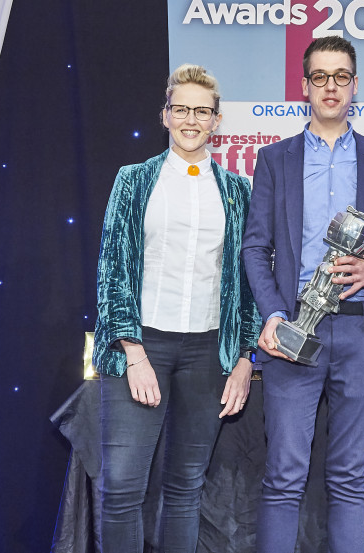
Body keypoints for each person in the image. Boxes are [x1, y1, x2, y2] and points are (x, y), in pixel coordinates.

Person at [92, 64, 262, 553]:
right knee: (123, 489)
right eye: (182, 109)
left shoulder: (237, 191)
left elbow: (246, 282)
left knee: (186, 489)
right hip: (140, 346)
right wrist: (134, 352)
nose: (192, 120)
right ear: (165, 115)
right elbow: (112, 271)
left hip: (208, 352)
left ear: (217, 120)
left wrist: (245, 359)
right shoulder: (134, 180)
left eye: (202, 111)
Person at [241, 36, 364, 553]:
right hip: (294, 331)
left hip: (361, 330)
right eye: (320, 77)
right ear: (304, 85)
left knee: (350, 477)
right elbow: (254, 247)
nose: (331, 87)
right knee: (284, 476)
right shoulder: (275, 159)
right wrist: (273, 315)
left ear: (356, 85)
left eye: (342, 76)